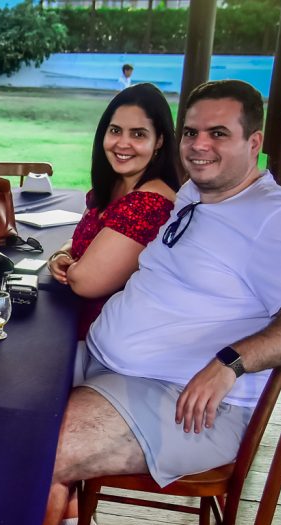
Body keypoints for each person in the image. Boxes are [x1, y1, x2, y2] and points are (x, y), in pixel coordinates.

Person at [36, 80, 281, 525]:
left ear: (254, 142)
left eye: (218, 133)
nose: (200, 145)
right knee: (1, 395)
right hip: (108, 361)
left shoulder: (277, 216)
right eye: (192, 132)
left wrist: (231, 363)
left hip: (179, 397)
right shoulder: (191, 194)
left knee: (37, 450)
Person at [48, 83, 180, 349]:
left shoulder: (149, 203)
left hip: (108, 344)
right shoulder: (114, 185)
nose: (123, 143)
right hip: (72, 322)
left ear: (160, 141)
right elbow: (82, 242)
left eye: (138, 134)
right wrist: (61, 255)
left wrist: (71, 266)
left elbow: (85, 282)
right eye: (116, 130)